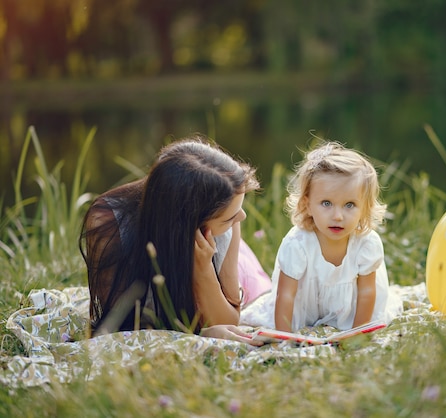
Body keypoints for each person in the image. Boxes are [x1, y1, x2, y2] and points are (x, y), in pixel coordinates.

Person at [80, 135, 270, 345]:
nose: (242, 217)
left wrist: (203, 269)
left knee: (257, 291)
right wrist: (198, 335)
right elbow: (122, 326)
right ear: (187, 222)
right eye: (230, 217)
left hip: (227, 261)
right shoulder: (109, 223)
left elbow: (228, 321)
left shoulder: (227, 221)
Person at [255, 141, 402, 332]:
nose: (338, 216)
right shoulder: (298, 243)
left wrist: (357, 333)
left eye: (349, 205)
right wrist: (283, 337)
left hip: (352, 312)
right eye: (326, 203)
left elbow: (366, 292)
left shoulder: (366, 243)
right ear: (307, 204)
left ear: (364, 207)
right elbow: (286, 295)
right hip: (304, 311)